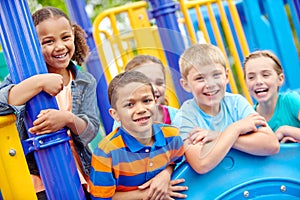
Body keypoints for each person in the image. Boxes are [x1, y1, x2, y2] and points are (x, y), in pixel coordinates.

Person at [0, 7, 100, 199]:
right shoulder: (21, 78)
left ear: (73, 35)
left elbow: (90, 130)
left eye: (65, 37)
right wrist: (38, 83)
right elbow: (2, 105)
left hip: (78, 172)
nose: (60, 46)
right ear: (33, 46)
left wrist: (67, 119)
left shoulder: (85, 81)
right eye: (48, 41)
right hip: (37, 178)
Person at [172, 43, 280, 174]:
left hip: (242, 177)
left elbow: (271, 144)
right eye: (200, 78)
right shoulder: (185, 117)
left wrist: (217, 137)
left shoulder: (236, 103)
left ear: (226, 76)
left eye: (216, 75)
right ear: (186, 85)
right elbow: (202, 163)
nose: (210, 84)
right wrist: (236, 129)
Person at [89, 71, 187, 200]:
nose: (141, 109)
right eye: (130, 104)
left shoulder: (172, 136)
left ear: (156, 102)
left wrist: (165, 174)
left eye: (146, 100)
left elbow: (176, 162)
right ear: (115, 114)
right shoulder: (105, 153)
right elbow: (101, 198)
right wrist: (145, 194)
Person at [243, 50, 300, 143]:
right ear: (246, 83)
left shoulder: (290, 101)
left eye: (265, 75)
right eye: (251, 77)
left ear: (280, 79)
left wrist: (285, 130)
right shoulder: (249, 117)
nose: (258, 81)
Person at [112, 55, 178, 131]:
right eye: (146, 83)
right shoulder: (122, 121)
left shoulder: (177, 116)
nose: (154, 89)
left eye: (159, 83)